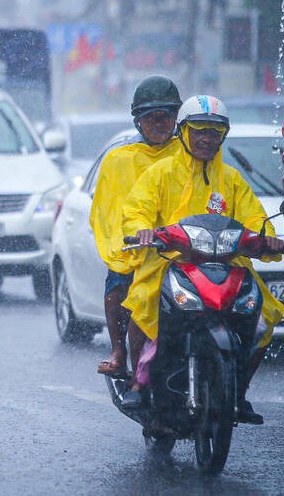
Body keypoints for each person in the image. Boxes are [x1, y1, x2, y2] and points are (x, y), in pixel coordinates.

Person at [120, 95, 284, 424]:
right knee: (142, 301)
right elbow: (136, 210)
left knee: (266, 315)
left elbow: (256, 221)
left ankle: (238, 392)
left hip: (227, 265)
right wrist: (142, 231)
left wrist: (267, 239)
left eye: (214, 132)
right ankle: (138, 383)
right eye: (199, 131)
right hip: (169, 262)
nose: (207, 139)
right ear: (183, 132)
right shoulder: (160, 173)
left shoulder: (233, 180)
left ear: (222, 135)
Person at [89, 75, 182, 377]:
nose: (158, 124)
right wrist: (129, 238)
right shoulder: (119, 160)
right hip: (138, 249)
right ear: (137, 121)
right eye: (149, 118)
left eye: (164, 117)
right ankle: (118, 350)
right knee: (117, 286)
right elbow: (109, 210)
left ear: (176, 118)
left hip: (182, 247)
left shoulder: (190, 156)